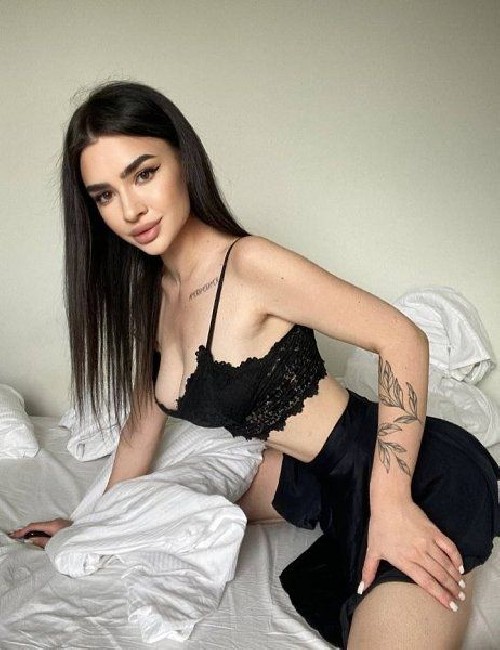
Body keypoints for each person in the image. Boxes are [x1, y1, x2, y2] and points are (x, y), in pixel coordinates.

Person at [9, 81, 499, 649]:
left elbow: (403, 339)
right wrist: (91, 523)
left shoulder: (249, 265)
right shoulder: (153, 297)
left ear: (183, 160)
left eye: (143, 174)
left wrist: (391, 507)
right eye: (104, 196)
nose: (129, 210)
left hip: (416, 473)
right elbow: (142, 428)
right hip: (317, 483)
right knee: (170, 507)